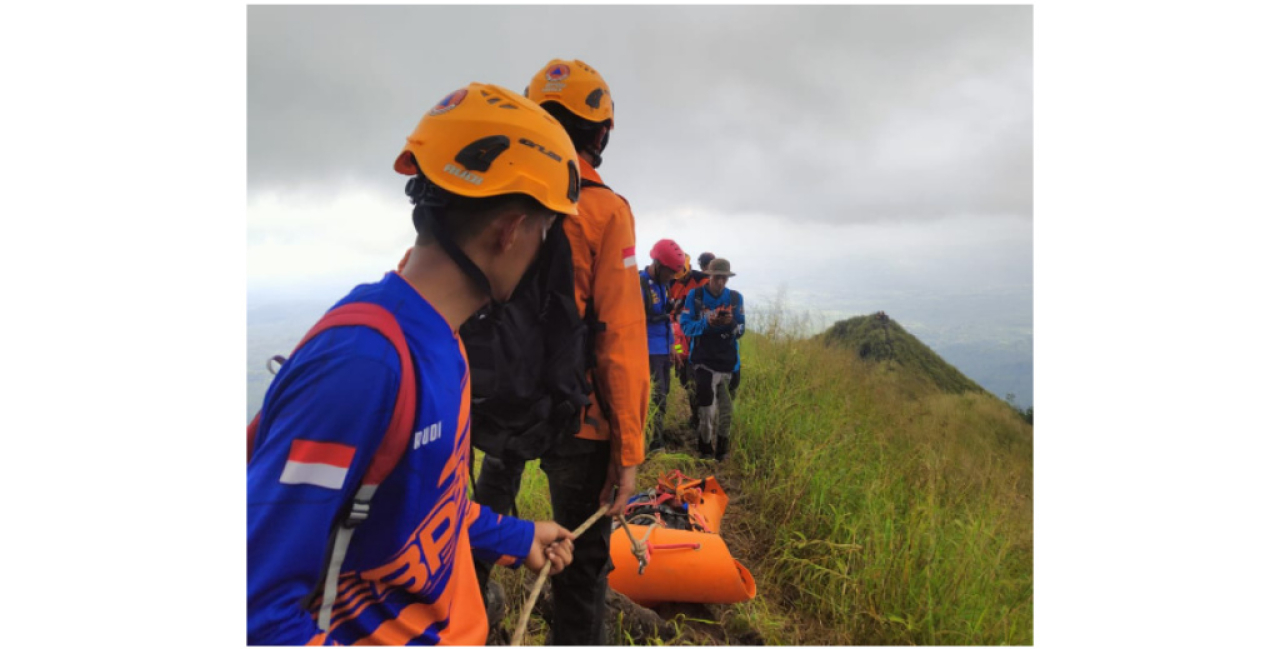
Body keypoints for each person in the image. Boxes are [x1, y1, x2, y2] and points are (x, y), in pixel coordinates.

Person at [247, 83, 579, 646]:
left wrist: (518, 537)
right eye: (546, 231)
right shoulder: (363, 365)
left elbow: (428, 505)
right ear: (513, 230)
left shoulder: (445, 342)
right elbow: (255, 610)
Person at [470, 58, 650, 646]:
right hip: (582, 419)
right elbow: (619, 339)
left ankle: (470, 618)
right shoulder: (603, 210)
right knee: (580, 566)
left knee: (474, 531)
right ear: (599, 133)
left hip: (498, 406)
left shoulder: (496, 193)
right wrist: (628, 449)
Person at [679, 258, 746, 462]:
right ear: (709, 276)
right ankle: (705, 449)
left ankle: (722, 450)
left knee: (726, 411)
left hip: (728, 363)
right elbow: (686, 327)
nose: (721, 283)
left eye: (724, 279)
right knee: (707, 410)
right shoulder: (696, 297)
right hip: (703, 362)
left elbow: (741, 330)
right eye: (717, 278)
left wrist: (731, 322)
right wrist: (707, 323)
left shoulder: (735, 299)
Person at [640, 238, 686, 452]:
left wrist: (673, 348)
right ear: (657, 264)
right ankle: (653, 444)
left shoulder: (664, 285)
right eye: (669, 272)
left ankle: (655, 439)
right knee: (653, 398)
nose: (671, 277)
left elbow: (667, 320)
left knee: (663, 394)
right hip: (646, 352)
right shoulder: (639, 285)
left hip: (662, 349)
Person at [668, 253, 710, 429]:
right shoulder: (672, 285)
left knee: (696, 381)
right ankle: (695, 417)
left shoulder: (702, 281)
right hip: (678, 338)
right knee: (685, 379)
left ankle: (702, 420)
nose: (681, 277)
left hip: (696, 340)